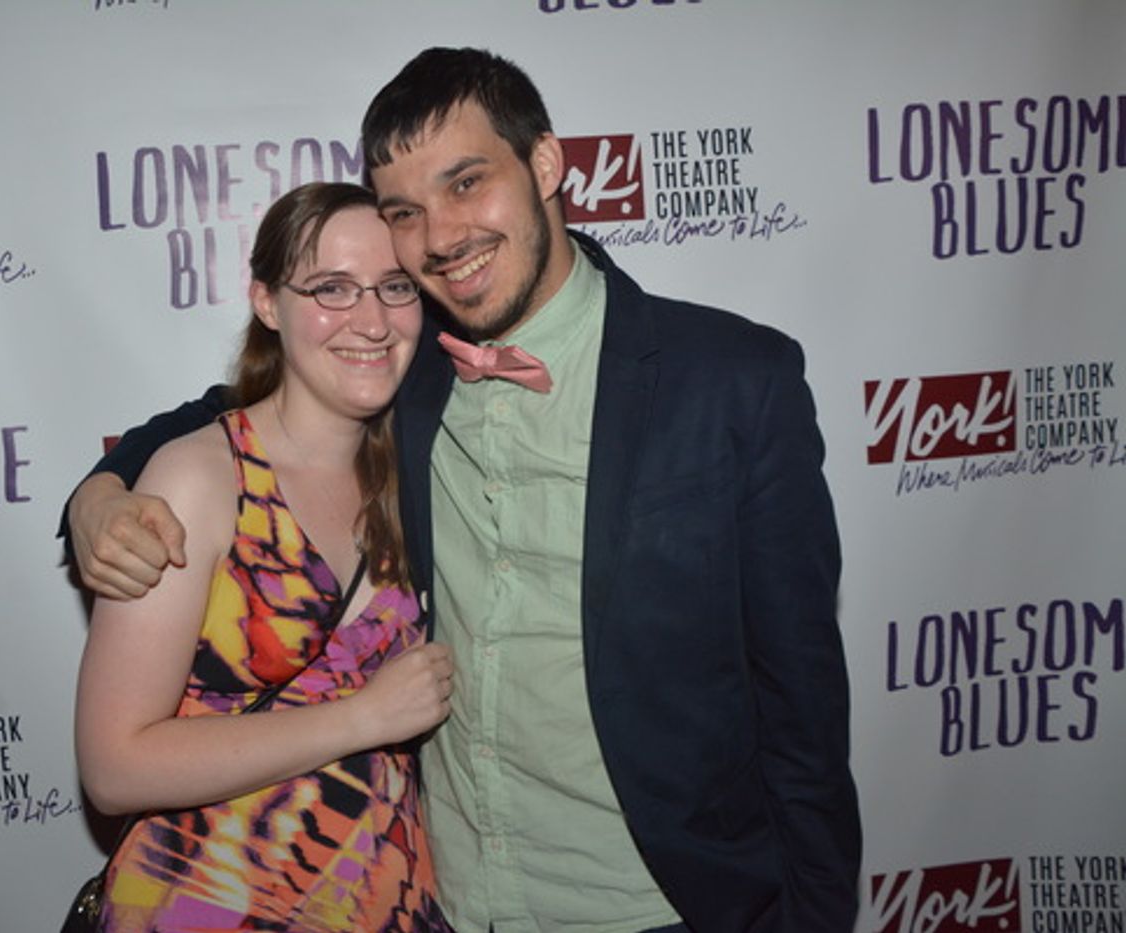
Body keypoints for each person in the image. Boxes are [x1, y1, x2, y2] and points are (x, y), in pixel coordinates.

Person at [67, 48, 861, 933]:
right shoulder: (402, 366)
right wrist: (96, 493)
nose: (441, 235)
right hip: (449, 902)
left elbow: (804, 706)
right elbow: (239, 410)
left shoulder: (731, 381)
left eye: (467, 183)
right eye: (406, 210)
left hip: (660, 906)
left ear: (547, 166)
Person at [73, 181, 454, 932]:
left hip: (388, 900)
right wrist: (364, 717)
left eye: (394, 286)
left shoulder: (420, 464)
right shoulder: (199, 477)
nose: (371, 320)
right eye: (332, 288)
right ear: (268, 302)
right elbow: (114, 766)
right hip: (210, 904)